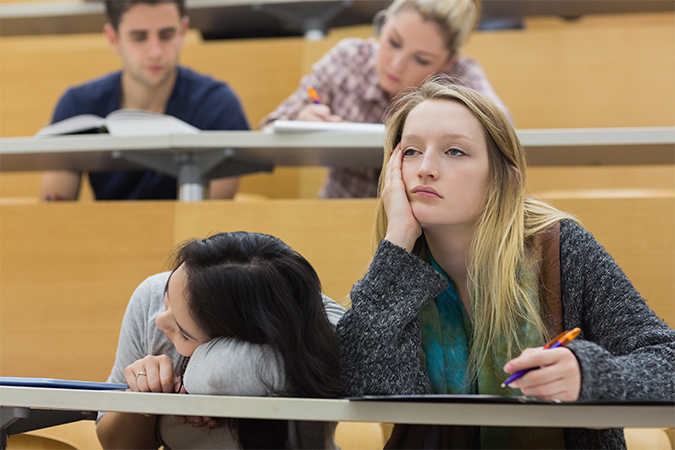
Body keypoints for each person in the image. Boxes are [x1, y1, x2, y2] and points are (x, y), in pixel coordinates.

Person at [336, 76, 675, 449]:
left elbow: (667, 361)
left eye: (455, 152)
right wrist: (397, 237)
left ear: (504, 179)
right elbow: (362, 381)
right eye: (412, 151)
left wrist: (590, 373)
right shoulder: (399, 268)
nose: (425, 168)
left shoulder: (561, 247)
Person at [96, 231, 345, 449]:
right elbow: (115, 443)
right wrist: (144, 398)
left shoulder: (312, 324)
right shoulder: (151, 298)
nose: (160, 320)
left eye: (184, 332)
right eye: (167, 296)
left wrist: (201, 383)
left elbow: (223, 371)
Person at [260, 0, 510, 199]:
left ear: (447, 63)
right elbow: (270, 126)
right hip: (338, 210)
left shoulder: (460, 78)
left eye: (421, 59)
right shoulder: (348, 59)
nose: (396, 64)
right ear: (383, 21)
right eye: (393, 42)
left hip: (426, 228)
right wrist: (301, 120)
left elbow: (504, 137)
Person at [39, 0, 249, 201]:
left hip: (187, 236)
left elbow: (210, 219)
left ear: (183, 31)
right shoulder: (78, 105)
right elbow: (54, 211)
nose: (155, 52)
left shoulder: (217, 104)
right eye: (139, 37)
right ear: (113, 39)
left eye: (167, 35)